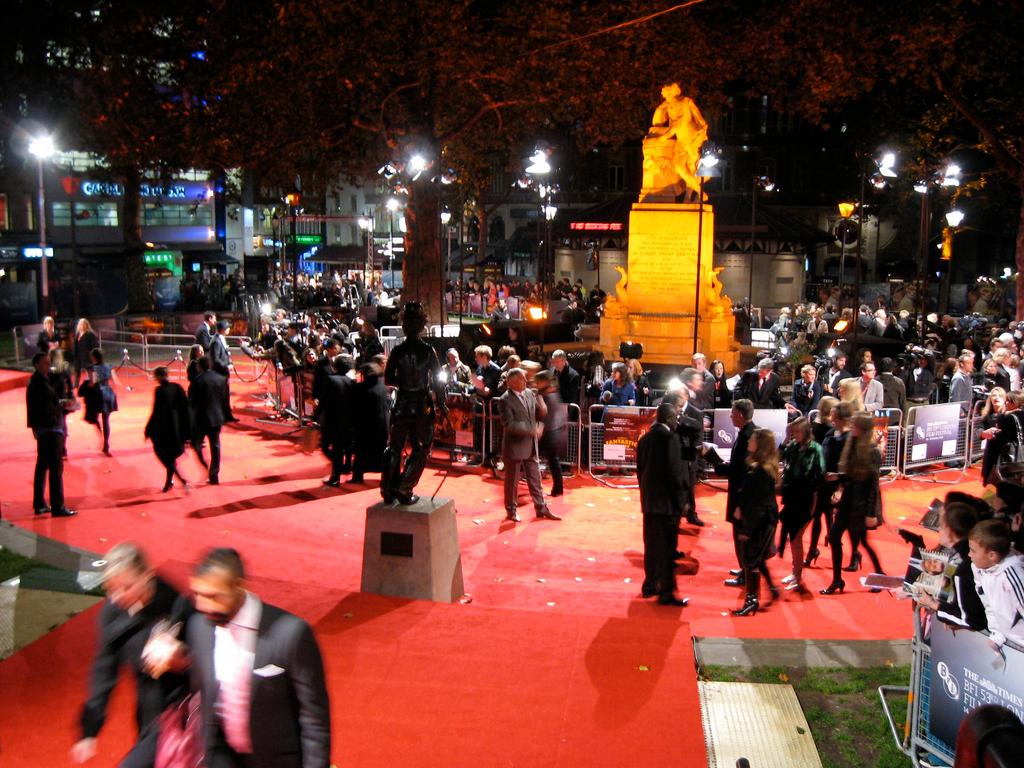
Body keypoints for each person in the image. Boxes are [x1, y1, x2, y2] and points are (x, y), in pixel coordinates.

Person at [185, 548, 331, 767]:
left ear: (239, 586)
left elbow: (314, 719)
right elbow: (202, 692)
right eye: (198, 594)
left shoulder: (291, 633)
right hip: (220, 756)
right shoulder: (199, 626)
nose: (203, 605)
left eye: (214, 596)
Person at [71, 543, 191, 767]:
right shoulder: (112, 613)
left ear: (148, 575)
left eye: (126, 587)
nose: (118, 597)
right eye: (111, 589)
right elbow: (104, 669)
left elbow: (208, 658)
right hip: (147, 711)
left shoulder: (177, 604)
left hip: (182, 708)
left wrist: (182, 660)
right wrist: (90, 729)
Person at [381, 303, 447, 505]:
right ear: (422, 325)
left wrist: (404, 383)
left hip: (401, 403)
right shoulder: (428, 351)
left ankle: (388, 489)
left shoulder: (398, 351)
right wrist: (442, 404)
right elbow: (437, 381)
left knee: (394, 448)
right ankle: (404, 486)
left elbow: (389, 379)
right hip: (420, 404)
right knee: (422, 449)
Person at [822, 412, 885, 594]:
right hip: (849, 499)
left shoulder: (872, 450)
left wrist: (871, 514)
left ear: (862, 428)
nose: (851, 427)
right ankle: (836, 580)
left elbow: (873, 483)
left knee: (863, 542)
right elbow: (851, 474)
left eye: (855, 424)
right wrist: (838, 480)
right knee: (834, 537)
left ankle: (880, 574)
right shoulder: (852, 444)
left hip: (862, 503)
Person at [637, 402, 688, 606]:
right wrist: (682, 502)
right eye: (675, 417)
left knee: (650, 545)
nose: (677, 421)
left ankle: (650, 585)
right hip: (667, 503)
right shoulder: (671, 439)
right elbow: (675, 474)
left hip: (649, 501)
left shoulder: (645, 439)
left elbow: (640, 471)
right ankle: (666, 591)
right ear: (668, 418)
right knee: (667, 547)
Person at [913, 500, 987, 632]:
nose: (938, 530)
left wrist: (933, 604)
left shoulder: (964, 569)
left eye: (941, 526)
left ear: (951, 532)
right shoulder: (971, 554)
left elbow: (974, 621)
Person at [499, 368, 561, 523]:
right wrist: (531, 430)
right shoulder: (505, 399)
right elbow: (509, 425)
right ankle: (511, 510)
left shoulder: (529, 394)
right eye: (523, 379)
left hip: (531, 445)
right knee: (512, 481)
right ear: (512, 382)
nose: (527, 382)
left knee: (535, 478)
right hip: (514, 446)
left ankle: (541, 508)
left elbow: (540, 413)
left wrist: (540, 400)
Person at [732, 428, 780, 616]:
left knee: (751, 560)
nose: (749, 441)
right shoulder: (761, 468)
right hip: (762, 520)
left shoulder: (760, 471)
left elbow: (758, 505)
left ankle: (752, 600)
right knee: (756, 560)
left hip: (759, 522)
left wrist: (747, 529)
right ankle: (768, 591)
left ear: (759, 445)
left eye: (752, 439)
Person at [26, 352, 76, 517]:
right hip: (50, 428)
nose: (49, 365)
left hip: (46, 427)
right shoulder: (37, 383)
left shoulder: (41, 380)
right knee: (55, 467)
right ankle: (57, 505)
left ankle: (40, 503)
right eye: (45, 363)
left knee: (43, 466)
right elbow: (45, 405)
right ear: (37, 364)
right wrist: (62, 405)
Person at [778, 418, 825, 592]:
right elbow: (778, 456)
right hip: (791, 498)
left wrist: (813, 496)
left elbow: (820, 473)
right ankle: (795, 572)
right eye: (794, 431)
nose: (795, 435)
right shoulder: (793, 447)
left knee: (796, 536)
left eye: (798, 432)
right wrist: (786, 437)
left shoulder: (816, 449)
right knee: (793, 537)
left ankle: (797, 575)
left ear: (805, 432)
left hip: (807, 499)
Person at [714, 399, 756, 587]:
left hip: (742, 495)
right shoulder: (747, 433)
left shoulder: (749, 435)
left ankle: (746, 574)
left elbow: (742, 469)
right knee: (739, 534)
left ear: (740, 414)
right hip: (741, 493)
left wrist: (718, 466)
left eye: (732, 412)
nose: (730, 416)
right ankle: (744, 569)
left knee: (741, 535)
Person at [807, 401, 853, 569]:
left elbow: (849, 466)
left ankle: (852, 556)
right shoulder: (831, 433)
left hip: (838, 486)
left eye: (834, 415)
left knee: (837, 527)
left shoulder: (849, 438)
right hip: (823, 483)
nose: (831, 418)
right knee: (816, 516)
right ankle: (812, 549)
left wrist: (840, 487)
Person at [968, 519, 1024, 651]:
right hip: (1010, 644)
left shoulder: (1015, 576)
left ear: (992, 555)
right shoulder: (978, 568)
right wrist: (997, 634)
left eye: (973, 550)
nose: (969, 554)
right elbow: (988, 603)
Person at [145, 367, 192, 493]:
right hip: (177, 428)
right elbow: (186, 408)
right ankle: (169, 481)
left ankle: (182, 481)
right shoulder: (177, 387)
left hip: (164, 429)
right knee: (170, 457)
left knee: (165, 456)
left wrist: (148, 429)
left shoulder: (159, 391)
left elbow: (156, 411)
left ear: (160, 376)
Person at [188, 356, 227, 485]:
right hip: (216, 417)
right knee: (215, 446)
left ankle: (205, 466)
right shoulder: (221, 379)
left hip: (201, 419)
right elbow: (224, 400)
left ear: (200, 366)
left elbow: (192, 402)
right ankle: (214, 474)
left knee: (196, 445)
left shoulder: (197, 381)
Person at [350, 361, 390, 484]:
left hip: (367, 425)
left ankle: (358, 476)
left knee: (361, 451)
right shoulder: (382, 386)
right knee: (381, 451)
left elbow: (356, 406)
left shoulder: (363, 388)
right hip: (382, 424)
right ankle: (385, 474)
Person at [319, 354, 354, 487]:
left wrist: (317, 416)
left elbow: (324, 400)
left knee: (329, 447)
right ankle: (344, 467)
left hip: (333, 420)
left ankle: (336, 476)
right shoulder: (352, 382)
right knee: (344, 447)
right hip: (348, 420)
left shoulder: (330, 380)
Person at [80, 347, 119, 455]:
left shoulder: (92, 368)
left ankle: (100, 434)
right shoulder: (108, 366)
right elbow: (116, 382)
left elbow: (92, 383)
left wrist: (85, 384)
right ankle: (106, 443)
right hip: (108, 393)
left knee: (93, 416)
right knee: (106, 420)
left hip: (98, 394)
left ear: (93, 357)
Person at [534, 370, 566, 497]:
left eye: (538, 381)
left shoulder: (547, 394)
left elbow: (545, 413)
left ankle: (556, 489)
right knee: (552, 461)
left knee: (551, 460)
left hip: (549, 430)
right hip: (553, 429)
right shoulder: (552, 391)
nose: (536, 384)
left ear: (544, 381)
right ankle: (557, 489)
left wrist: (541, 427)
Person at [981, 392, 1024, 486]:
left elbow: (997, 443)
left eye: (1009, 401)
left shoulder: (1007, 419)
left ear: (1015, 402)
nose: (1006, 403)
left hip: (1009, 464)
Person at [208, 320, 239, 423]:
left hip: (222, 373)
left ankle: (226, 415)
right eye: (228, 327)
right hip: (219, 373)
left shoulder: (220, 339)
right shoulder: (216, 341)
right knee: (221, 395)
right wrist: (226, 367)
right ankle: (224, 416)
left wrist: (228, 362)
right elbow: (215, 359)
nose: (229, 329)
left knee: (224, 395)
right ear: (223, 329)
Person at [72, 318, 100, 387]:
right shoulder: (77, 334)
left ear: (86, 325)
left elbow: (95, 345)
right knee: (76, 369)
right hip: (78, 355)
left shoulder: (89, 334)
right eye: (80, 324)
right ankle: (76, 384)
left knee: (89, 369)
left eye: (83, 324)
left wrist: (94, 355)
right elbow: (75, 345)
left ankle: (92, 382)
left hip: (87, 355)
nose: (81, 325)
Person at [949, 350, 976, 415]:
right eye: (969, 363)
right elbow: (954, 397)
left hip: (966, 411)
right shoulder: (958, 378)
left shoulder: (967, 376)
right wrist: (960, 411)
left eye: (972, 363)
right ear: (961, 364)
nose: (971, 365)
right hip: (960, 413)